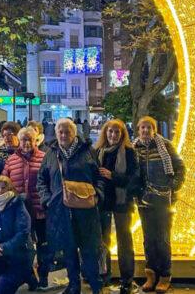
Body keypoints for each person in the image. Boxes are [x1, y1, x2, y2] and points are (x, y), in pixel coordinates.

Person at [37, 118, 105, 294]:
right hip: (60, 210)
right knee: (69, 250)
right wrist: (47, 200)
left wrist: (97, 194)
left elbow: (99, 176)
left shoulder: (88, 151)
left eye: (67, 131)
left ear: (75, 133)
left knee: (89, 250)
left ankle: (96, 286)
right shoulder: (51, 154)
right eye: (60, 131)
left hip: (86, 211)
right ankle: (74, 285)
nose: (63, 135)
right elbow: (41, 180)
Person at [132, 116, 185, 293]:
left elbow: (179, 166)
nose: (145, 131)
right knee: (149, 239)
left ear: (154, 130)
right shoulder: (134, 148)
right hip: (144, 200)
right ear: (138, 130)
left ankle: (164, 275)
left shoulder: (165, 146)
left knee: (162, 239)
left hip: (163, 198)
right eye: (143, 128)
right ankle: (151, 275)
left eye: (149, 128)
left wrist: (173, 185)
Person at [2, 127, 49, 290]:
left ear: (35, 141)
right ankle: (28, 275)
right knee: (23, 246)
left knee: (43, 244)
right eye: (23, 140)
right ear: (19, 141)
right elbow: (4, 183)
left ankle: (43, 276)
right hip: (19, 213)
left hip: (40, 211)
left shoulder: (44, 158)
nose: (26, 143)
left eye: (30, 139)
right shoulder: (11, 160)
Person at [95, 119, 138, 294]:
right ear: (105, 133)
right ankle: (104, 275)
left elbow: (134, 180)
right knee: (103, 241)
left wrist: (113, 176)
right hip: (103, 202)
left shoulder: (128, 152)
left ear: (122, 134)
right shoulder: (98, 151)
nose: (113, 135)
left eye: (117, 132)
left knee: (124, 241)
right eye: (110, 131)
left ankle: (127, 279)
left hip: (122, 203)